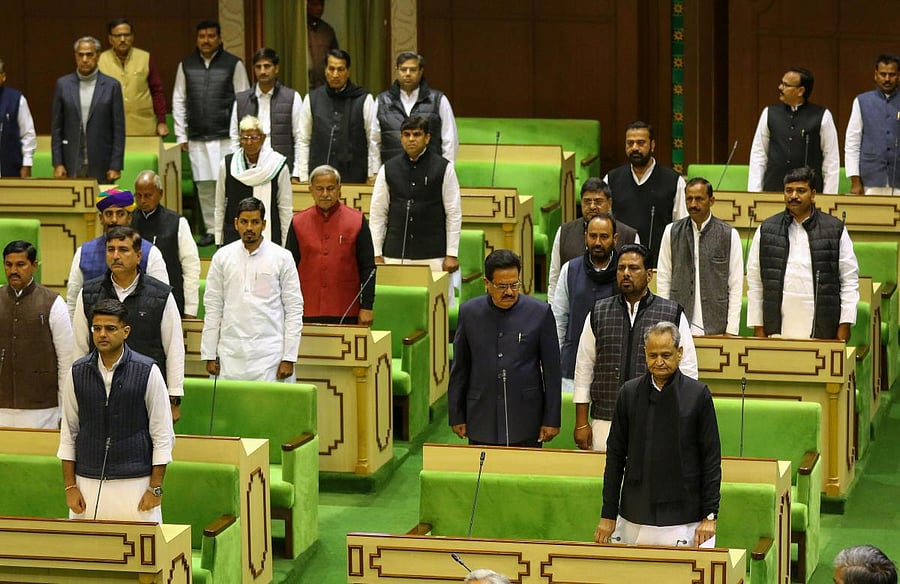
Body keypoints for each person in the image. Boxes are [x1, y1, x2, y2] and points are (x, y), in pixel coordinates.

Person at [595, 321, 720, 547]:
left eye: (666, 354)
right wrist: (608, 513)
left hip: (685, 513)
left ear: (679, 353)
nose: (659, 362)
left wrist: (710, 515)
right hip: (635, 510)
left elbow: (710, 459)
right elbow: (615, 458)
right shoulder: (629, 393)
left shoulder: (698, 395)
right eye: (653, 355)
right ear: (645, 354)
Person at [572, 243, 698, 451]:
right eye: (621, 269)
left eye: (633, 268)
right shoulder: (598, 312)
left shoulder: (672, 313)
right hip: (606, 418)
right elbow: (584, 368)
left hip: (657, 420)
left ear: (649, 275)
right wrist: (581, 422)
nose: (626, 274)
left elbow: (688, 371)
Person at [58, 298, 174, 523]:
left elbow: (162, 435)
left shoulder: (148, 371)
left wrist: (155, 488)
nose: (102, 334)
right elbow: (69, 433)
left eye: (110, 328)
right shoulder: (77, 372)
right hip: (87, 481)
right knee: (87, 553)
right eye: (97, 328)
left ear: (126, 331)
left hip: (136, 482)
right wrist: (70, 486)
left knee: (143, 555)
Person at [448, 249, 561, 448]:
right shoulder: (469, 313)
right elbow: (460, 369)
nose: (509, 292)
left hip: (526, 416)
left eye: (514, 284)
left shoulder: (540, 313)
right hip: (482, 414)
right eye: (502, 286)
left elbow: (552, 371)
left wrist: (551, 419)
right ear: (487, 284)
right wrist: (456, 414)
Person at [72, 226, 184, 422]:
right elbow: (79, 346)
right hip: (98, 388)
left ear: (139, 255)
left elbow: (174, 346)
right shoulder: (89, 293)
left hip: (147, 388)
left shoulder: (160, 294)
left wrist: (173, 397)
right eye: (110, 249)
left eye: (123, 250)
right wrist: (77, 389)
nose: (115, 256)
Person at [747, 166, 859, 340]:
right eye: (788, 190)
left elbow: (849, 280)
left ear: (813, 194)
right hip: (777, 328)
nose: (793, 196)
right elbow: (755, 282)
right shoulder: (766, 229)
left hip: (822, 328)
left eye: (801, 191)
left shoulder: (835, 229)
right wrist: (758, 327)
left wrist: (845, 324)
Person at [201, 197, 304, 382]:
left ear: (263, 224)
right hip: (230, 356)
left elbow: (294, 309)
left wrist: (289, 357)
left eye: (255, 222)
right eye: (244, 222)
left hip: (271, 357)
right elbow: (213, 307)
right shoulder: (222, 257)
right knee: (230, 411)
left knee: (269, 411)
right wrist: (209, 353)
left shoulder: (282, 257)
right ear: (236, 223)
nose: (249, 227)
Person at [173, 19, 250, 247]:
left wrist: (241, 137)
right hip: (197, 137)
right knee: (204, 185)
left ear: (219, 38)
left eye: (210, 36)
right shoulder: (186, 65)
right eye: (202, 36)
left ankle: (230, 228)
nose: (206, 41)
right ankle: (211, 230)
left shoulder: (233, 64)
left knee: (228, 184)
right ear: (197, 39)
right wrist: (180, 135)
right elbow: (179, 99)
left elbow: (243, 100)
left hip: (227, 137)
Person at [370, 115, 462, 282]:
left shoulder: (443, 168)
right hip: (395, 253)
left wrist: (452, 254)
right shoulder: (388, 168)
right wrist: (376, 253)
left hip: (433, 254)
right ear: (401, 138)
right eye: (406, 134)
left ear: (427, 138)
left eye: (417, 134)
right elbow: (378, 213)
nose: (411, 139)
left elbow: (453, 213)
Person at [285, 164, 376, 325]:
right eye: (319, 188)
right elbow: (288, 269)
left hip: (347, 308)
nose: (325, 194)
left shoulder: (357, 221)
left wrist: (367, 306)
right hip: (306, 309)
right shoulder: (298, 222)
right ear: (311, 190)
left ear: (339, 189)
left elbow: (368, 268)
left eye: (330, 188)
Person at [656, 177, 743, 336]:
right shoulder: (671, 231)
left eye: (699, 199)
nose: (693, 204)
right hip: (678, 325)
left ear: (711, 200)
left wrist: (731, 330)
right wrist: (665, 322)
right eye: (689, 199)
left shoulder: (729, 234)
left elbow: (735, 285)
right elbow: (664, 279)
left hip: (716, 326)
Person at [0, 241, 73, 428]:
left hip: (43, 410)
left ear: (34, 266)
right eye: (8, 265)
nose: (13, 270)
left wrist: (65, 409)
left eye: (20, 264)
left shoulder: (53, 303)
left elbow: (66, 361)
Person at [65, 188, 169, 318]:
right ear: (101, 218)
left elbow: (162, 300)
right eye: (108, 214)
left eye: (120, 214)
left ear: (129, 218)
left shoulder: (150, 253)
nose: (114, 220)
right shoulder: (83, 253)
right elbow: (73, 302)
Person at [603, 121, 686, 268]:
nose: (635, 148)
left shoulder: (674, 181)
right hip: (620, 267)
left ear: (652, 145)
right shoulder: (611, 179)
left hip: (659, 265)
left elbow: (681, 228)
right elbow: (604, 224)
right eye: (630, 143)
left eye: (640, 143)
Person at [553, 214, 619, 393]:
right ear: (585, 237)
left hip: (613, 366)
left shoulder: (624, 272)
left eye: (604, 237)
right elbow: (559, 319)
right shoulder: (570, 270)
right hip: (572, 364)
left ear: (615, 239)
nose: (597, 242)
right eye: (593, 236)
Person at [547, 178, 639, 306]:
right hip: (577, 310)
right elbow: (554, 279)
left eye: (598, 201)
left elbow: (637, 281)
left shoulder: (629, 235)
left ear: (609, 203)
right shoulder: (564, 232)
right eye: (587, 201)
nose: (592, 207)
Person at [749, 67, 839, 194]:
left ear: (801, 91)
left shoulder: (823, 116)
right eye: (782, 83)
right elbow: (759, 154)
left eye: (786, 85)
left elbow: (831, 160)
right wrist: (754, 192)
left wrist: (829, 197)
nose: (780, 87)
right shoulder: (769, 113)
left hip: (808, 192)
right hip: (774, 189)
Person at [297, 49, 379, 184]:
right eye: (331, 69)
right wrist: (304, 176)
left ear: (348, 71)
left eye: (340, 69)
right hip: (319, 176)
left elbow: (373, 140)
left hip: (355, 175)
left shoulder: (364, 99)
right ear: (325, 70)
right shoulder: (312, 99)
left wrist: (373, 173)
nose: (335, 74)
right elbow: (303, 140)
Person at [51, 36, 125, 184]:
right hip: (71, 161)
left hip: (102, 162)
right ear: (75, 56)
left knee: (101, 205)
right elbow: (57, 128)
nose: (85, 59)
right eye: (80, 55)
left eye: (89, 54)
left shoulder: (112, 86)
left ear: (97, 55)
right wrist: (58, 163)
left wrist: (116, 165)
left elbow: (118, 130)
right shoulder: (63, 85)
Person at [130, 171, 200, 317]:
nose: (142, 200)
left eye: (148, 195)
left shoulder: (176, 222)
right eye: (138, 195)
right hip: (134, 301)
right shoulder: (129, 222)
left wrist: (190, 309)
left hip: (170, 300)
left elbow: (191, 267)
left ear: (160, 194)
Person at [215, 115, 292, 246]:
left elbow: (285, 208)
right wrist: (218, 239)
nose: (249, 142)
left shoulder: (277, 165)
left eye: (254, 138)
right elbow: (220, 205)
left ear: (262, 138)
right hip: (235, 236)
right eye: (245, 138)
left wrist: (286, 243)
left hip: (270, 236)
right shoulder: (228, 165)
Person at [230, 48, 303, 180]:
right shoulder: (241, 100)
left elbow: (299, 138)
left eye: (267, 66)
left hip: (282, 168)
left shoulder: (292, 97)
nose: (262, 71)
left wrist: (297, 172)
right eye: (258, 67)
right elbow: (235, 137)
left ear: (276, 68)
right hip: (249, 170)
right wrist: (237, 168)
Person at [375, 51, 458, 163]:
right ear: (397, 70)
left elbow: (450, 139)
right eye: (403, 69)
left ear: (421, 71)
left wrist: (447, 169)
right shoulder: (382, 101)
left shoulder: (438, 100)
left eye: (413, 70)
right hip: (393, 170)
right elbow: (374, 141)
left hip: (430, 170)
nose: (408, 74)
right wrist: (374, 171)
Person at [97, 19, 168, 137]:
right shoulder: (100, 61)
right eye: (118, 36)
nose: (123, 39)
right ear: (110, 39)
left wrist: (161, 121)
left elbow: (157, 92)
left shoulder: (145, 58)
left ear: (133, 37)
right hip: (109, 128)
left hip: (143, 127)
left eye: (126, 35)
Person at [845, 53, 900, 195]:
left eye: (891, 74)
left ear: (898, 75)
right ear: (876, 75)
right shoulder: (862, 101)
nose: (887, 79)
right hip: (870, 179)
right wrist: (855, 181)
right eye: (883, 74)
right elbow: (852, 142)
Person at [0, 58, 37, 177]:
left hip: (10, 168)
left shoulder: (16, 99)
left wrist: (26, 164)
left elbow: (28, 134)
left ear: (3, 77)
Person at [306, 0, 339, 90]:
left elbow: (336, 58)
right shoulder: (299, 31)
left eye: (321, 5)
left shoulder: (328, 31)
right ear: (306, 5)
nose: (319, 8)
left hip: (325, 87)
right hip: (305, 85)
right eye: (315, 4)